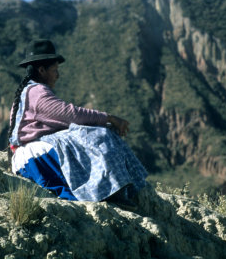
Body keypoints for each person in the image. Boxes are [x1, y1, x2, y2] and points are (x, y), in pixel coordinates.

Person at [8, 39, 147, 209]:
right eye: (55, 70)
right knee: (100, 134)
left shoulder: (31, 90)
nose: (58, 75)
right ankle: (111, 190)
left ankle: (112, 188)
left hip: (30, 155)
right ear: (42, 70)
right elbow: (71, 114)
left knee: (91, 132)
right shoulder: (37, 92)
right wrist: (110, 118)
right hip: (34, 158)